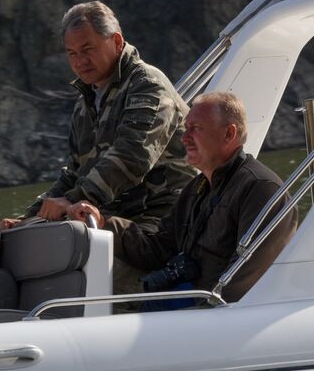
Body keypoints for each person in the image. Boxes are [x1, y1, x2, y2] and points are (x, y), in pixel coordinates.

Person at [4, 2, 193, 291]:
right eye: (72, 54)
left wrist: (70, 203)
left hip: (162, 224)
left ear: (116, 42)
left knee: (87, 282)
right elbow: (74, 173)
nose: (80, 61)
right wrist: (28, 219)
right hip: (112, 222)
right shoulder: (86, 104)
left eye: (88, 49)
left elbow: (131, 158)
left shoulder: (147, 86)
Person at [72, 92, 295, 305]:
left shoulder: (260, 189)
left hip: (216, 316)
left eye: (195, 129)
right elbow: (158, 249)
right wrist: (104, 223)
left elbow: (245, 280)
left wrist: (197, 315)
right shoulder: (195, 189)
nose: (185, 138)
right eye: (186, 128)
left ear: (229, 133)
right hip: (189, 306)